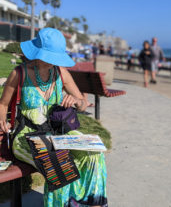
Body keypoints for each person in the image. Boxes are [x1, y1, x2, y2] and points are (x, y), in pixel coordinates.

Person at [0, 28, 107, 207]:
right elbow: (3, 104)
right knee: (59, 164)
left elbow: (82, 102)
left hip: (57, 133)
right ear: (37, 53)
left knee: (94, 155)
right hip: (27, 136)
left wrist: (75, 101)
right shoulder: (19, 74)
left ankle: (90, 204)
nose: (53, 61)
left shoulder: (61, 73)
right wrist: (2, 120)